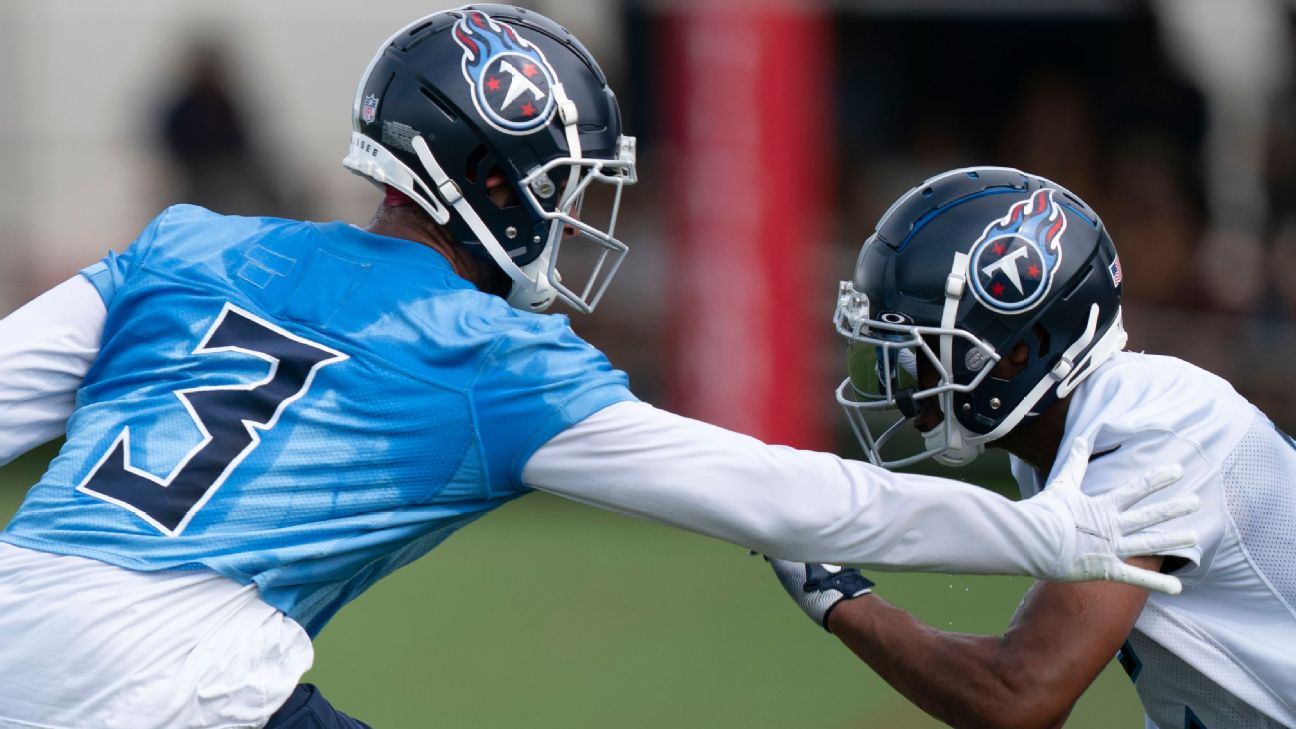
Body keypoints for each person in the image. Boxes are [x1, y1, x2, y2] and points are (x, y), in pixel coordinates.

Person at [0, 9, 1193, 727]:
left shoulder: (188, 243)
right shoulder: (494, 360)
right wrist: (1060, 535)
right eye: (565, 188)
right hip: (177, 676)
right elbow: (808, 498)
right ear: (503, 182)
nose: (575, 219)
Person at [768, 166, 1295, 729]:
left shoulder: (1151, 433)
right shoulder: (1068, 439)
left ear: (1021, 350)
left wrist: (835, 591)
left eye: (921, 352)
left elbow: (1019, 696)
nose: (904, 389)